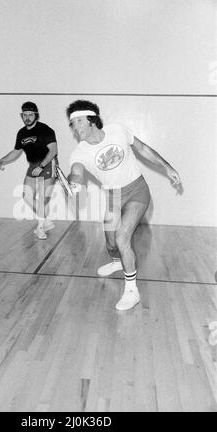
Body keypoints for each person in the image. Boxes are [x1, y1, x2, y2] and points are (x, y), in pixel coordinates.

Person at [66, 100, 181, 311]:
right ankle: (117, 262)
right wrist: (73, 184)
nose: (75, 127)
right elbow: (76, 172)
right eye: (72, 124)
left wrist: (167, 167)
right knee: (111, 243)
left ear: (92, 120)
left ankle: (131, 291)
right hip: (113, 196)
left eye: (79, 121)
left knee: (122, 238)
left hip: (138, 191)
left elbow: (143, 149)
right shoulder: (79, 153)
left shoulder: (117, 130)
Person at [0, 102, 58, 239]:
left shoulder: (45, 130)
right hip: (33, 166)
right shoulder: (21, 133)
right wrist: (1, 160)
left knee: (43, 198)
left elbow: (53, 150)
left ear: (36, 115)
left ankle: (41, 228)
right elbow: (16, 152)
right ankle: (46, 220)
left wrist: (41, 166)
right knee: (27, 196)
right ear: (21, 116)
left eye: (30, 115)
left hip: (48, 164)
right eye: (25, 115)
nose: (27, 117)